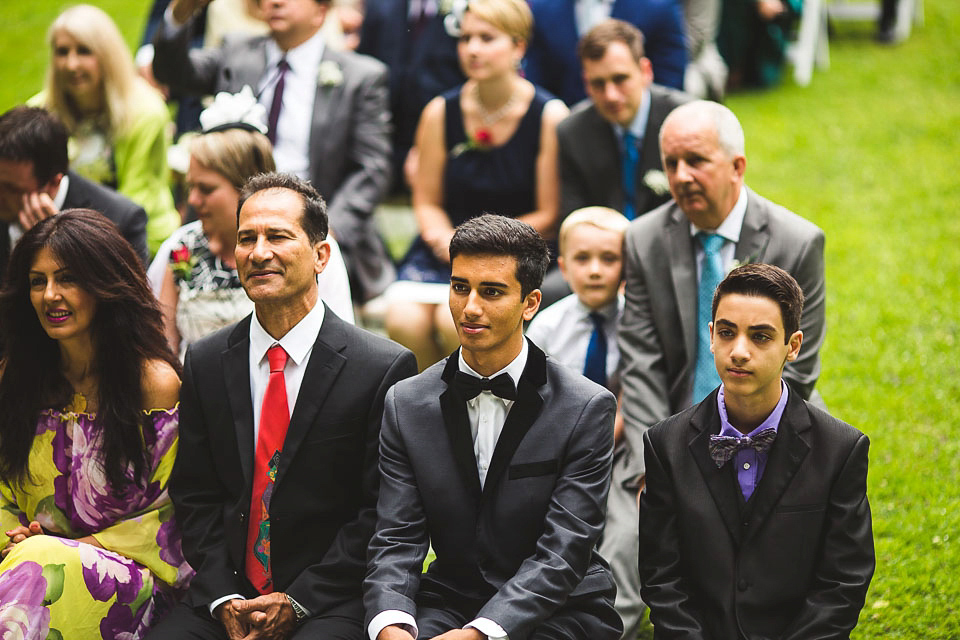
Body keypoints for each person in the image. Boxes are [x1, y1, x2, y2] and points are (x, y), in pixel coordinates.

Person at [147, 173, 416, 638]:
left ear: (320, 255)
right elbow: (195, 495)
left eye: (278, 236)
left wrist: (299, 600)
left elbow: (380, 511)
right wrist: (223, 596)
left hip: (329, 597)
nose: (259, 252)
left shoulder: (381, 368)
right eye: (246, 238)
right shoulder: (207, 362)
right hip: (226, 594)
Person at [366, 214, 622, 640]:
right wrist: (391, 623)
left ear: (531, 303)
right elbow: (396, 536)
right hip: (450, 600)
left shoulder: (586, 407)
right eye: (460, 287)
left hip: (561, 607)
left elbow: (563, 551)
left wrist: (481, 634)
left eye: (491, 292)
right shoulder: (406, 403)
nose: (469, 307)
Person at [639, 263, 875, 638]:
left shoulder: (840, 449)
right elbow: (662, 577)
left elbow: (842, 582)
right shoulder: (665, 443)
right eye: (728, 333)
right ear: (711, 336)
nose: (740, 352)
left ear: (793, 346)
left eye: (761, 337)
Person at [0, 210, 191, 637]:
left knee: (40, 566)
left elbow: (172, 514)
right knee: (33, 569)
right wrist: (13, 538)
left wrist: (60, 548)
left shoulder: (154, 385)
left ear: (105, 286)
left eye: (67, 278)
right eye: (37, 281)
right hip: (18, 568)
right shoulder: (14, 380)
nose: (50, 295)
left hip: (130, 580)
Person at [153, 0, 395, 302]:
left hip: (316, 222)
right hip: (233, 223)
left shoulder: (360, 76)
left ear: (321, 10)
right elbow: (171, 72)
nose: (274, 2)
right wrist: (179, 16)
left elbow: (372, 169)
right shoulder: (236, 52)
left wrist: (327, 229)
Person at [384, 0, 568, 370]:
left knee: (454, 324)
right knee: (403, 320)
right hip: (445, 249)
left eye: (487, 38)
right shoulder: (440, 112)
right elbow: (427, 199)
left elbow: (549, 213)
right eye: (466, 37)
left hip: (514, 251)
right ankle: (430, 411)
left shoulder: (549, 116)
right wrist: (443, 238)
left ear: (519, 46)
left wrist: (486, 249)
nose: (472, 49)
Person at [150, 90, 354, 359]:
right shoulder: (180, 247)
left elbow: (340, 346)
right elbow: (158, 348)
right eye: (191, 187)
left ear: (246, 186)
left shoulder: (311, 247)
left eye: (206, 189)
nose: (193, 200)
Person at [542, 19, 691, 309]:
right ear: (586, 83)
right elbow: (573, 215)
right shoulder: (572, 131)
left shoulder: (683, 120)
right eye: (598, 83)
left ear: (645, 71)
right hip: (598, 261)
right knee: (546, 293)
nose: (610, 95)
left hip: (670, 258)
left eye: (620, 79)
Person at [32, 5, 180, 255]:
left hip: (137, 240)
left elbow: (134, 204)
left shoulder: (145, 112)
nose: (71, 64)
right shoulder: (39, 113)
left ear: (107, 56)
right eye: (62, 52)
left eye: (84, 51)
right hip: (58, 239)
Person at [0, 106, 149, 281]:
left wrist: (58, 244)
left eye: (11, 188)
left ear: (54, 182)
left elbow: (128, 304)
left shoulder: (121, 221)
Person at [357, 0, 465, 191]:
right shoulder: (380, 6)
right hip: (385, 138)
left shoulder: (464, 7)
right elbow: (364, 71)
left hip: (445, 141)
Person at [526, 206, 628, 392]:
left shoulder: (635, 323)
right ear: (564, 269)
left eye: (609, 258)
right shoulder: (546, 327)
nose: (595, 271)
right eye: (582, 258)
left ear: (627, 266)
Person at [525, 0, 687, 105]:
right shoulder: (541, 10)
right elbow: (538, 82)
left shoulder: (658, 7)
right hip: (569, 134)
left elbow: (669, 81)